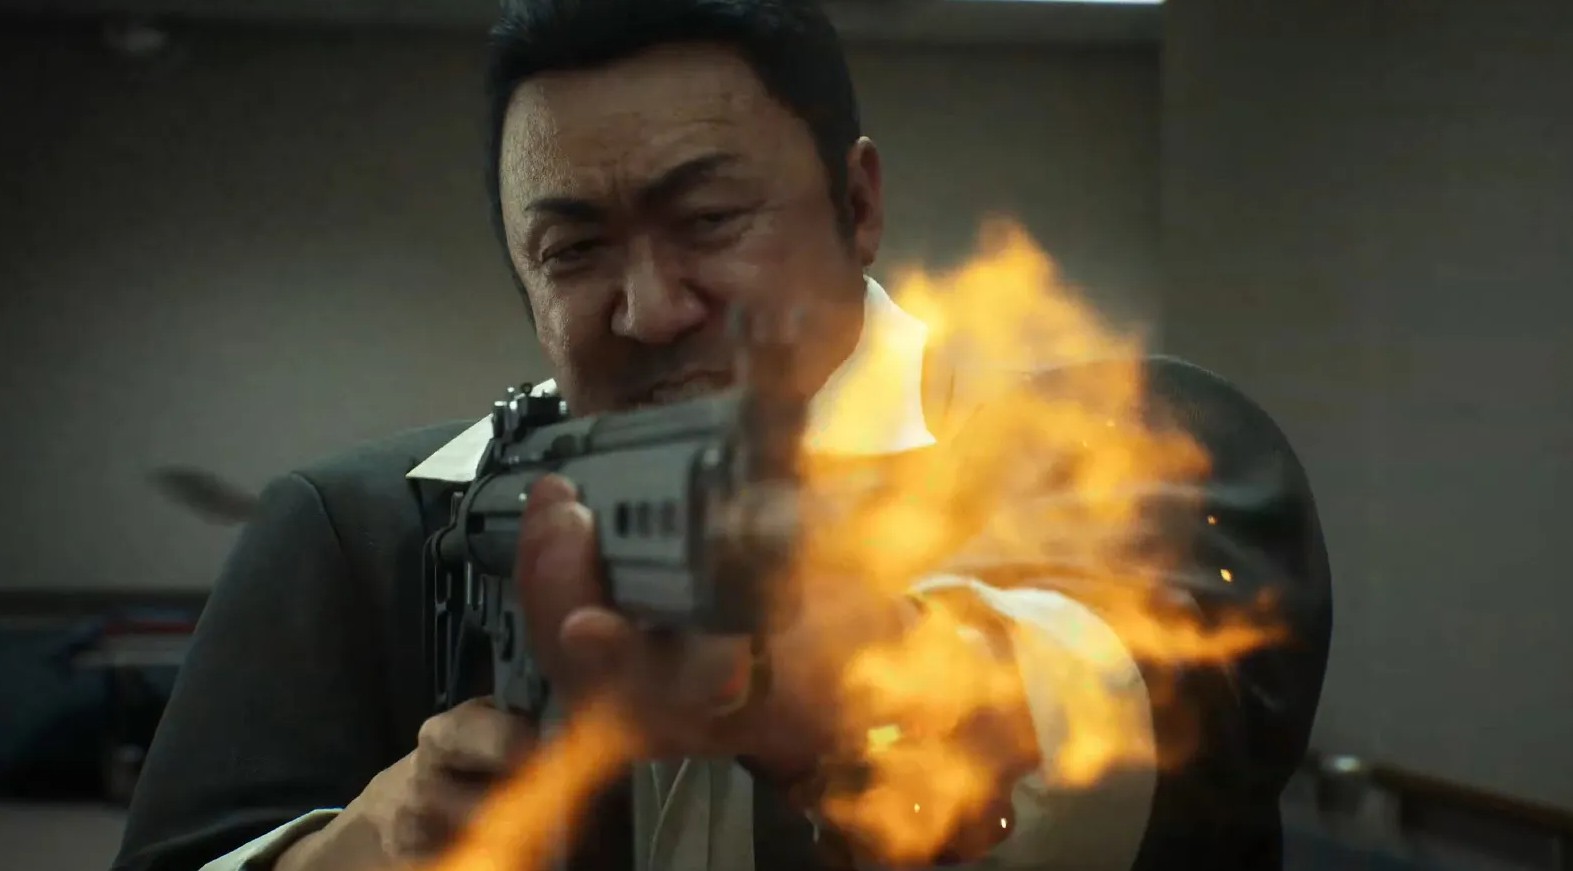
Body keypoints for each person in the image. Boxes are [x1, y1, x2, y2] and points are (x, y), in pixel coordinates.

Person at [112, 1, 1332, 870]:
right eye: (573, 250)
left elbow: (1146, 746)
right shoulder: (360, 528)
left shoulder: (1123, 444)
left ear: (857, 204)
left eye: (707, 219)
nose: (649, 308)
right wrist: (355, 852)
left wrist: (821, 684)